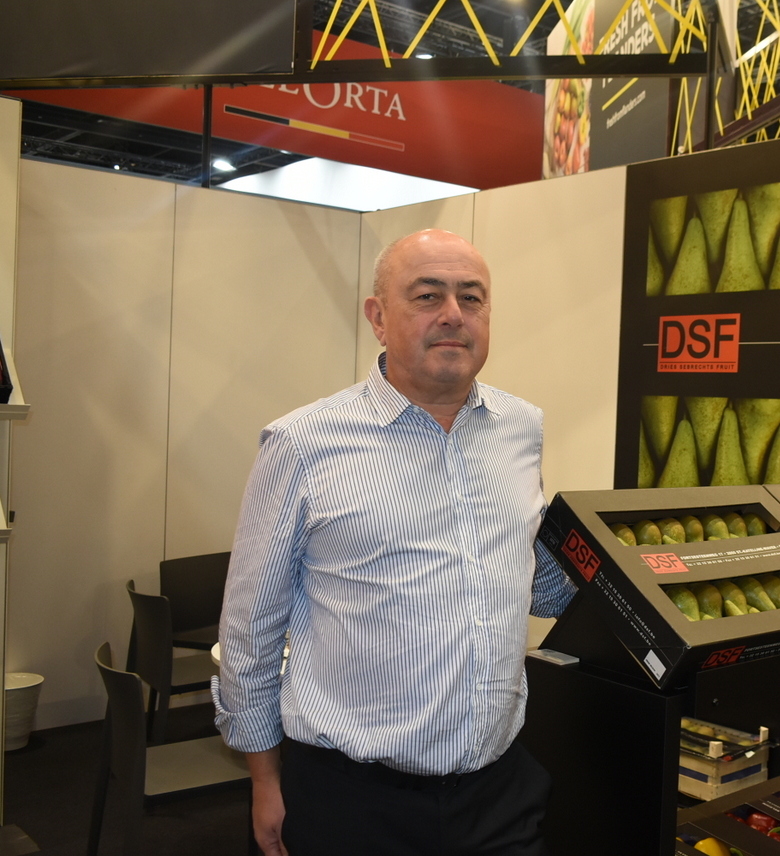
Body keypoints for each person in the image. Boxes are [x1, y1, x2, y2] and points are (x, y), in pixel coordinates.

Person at [211, 229, 577, 856]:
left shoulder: (522, 428)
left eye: (471, 297)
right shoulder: (302, 443)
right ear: (378, 318)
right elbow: (251, 628)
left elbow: (539, 587)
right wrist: (265, 781)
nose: (453, 314)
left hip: (498, 795)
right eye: (428, 295)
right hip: (352, 803)